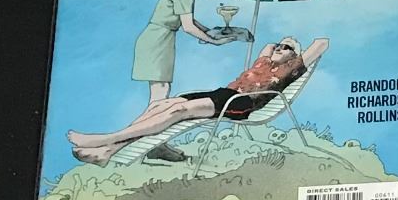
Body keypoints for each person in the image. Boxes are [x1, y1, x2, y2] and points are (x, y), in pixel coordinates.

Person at [67, 37, 325, 165]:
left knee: (178, 111)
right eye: (279, 44)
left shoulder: (291, 69)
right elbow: (267, 46)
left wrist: (297, 53)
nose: (279, 48)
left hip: (240, 102)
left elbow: (322, 43)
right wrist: (279, 45)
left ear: (295, 56)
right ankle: (108, 152)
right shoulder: (264, 60)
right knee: (161, 105)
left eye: (286, 47)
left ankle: (104, 140)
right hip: (222, 93)